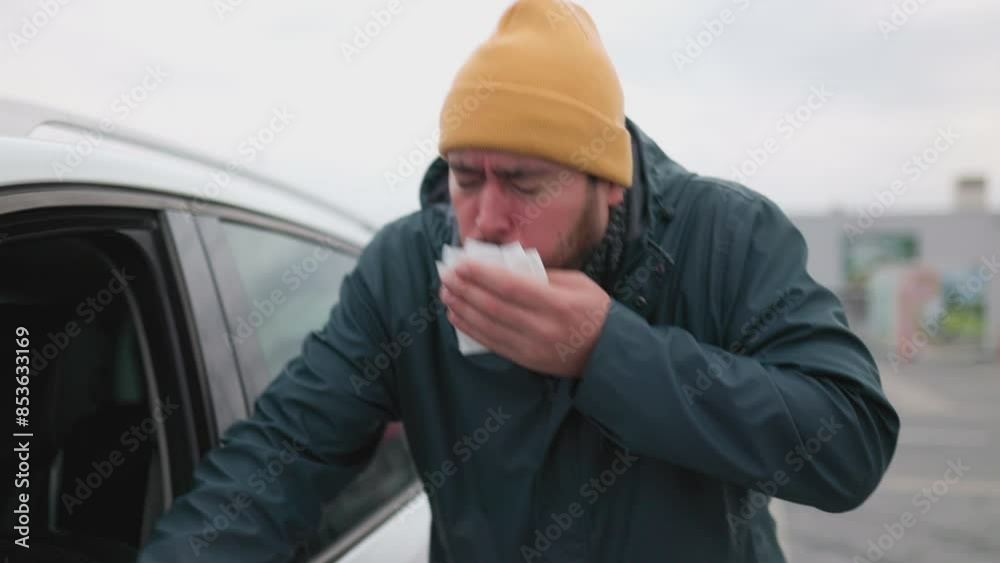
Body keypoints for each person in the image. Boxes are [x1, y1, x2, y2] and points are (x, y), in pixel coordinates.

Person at [139, 0, 899, 561]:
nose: (485, 219)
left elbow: (849, 444)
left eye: (525, 183)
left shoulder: (726, 237)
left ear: (609, 183)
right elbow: (283, 454)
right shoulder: (405, 269)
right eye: (466, 177)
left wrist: (607, 351)